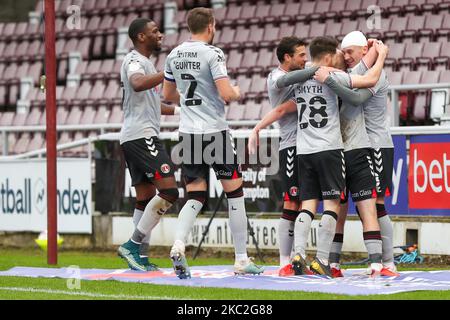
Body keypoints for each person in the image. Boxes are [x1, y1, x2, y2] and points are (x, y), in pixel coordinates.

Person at [163, 7, 264, 279]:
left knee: (195, 194)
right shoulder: (213, 53)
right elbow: (226, 93)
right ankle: (241, 258)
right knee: (235, 193)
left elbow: (168, 94)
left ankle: (179, 243)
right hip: (214, 132)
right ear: (210, 26)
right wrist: (236, 92)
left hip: (188, 133)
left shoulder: (173, 54)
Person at [317, 31, 398, 276]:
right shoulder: (357, 73)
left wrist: (380, 55)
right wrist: (379, 52)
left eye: (351, 51)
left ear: (364, 50)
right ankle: (336, 263)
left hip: (376, 145)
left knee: (377, 205)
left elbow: (357, 96)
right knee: (347, 207)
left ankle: (388, 262)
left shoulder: (376, 74)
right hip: (354, 146)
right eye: (344, 53)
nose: (347, 56)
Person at [117, 18, 180, 272]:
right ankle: (132, 245)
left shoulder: (146, 63)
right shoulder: (134, 61)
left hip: (134, 136)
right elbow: (137, 82)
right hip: (142, 137)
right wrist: (166, 73)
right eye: (155, 31)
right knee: (170, 192)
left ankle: (139, 258)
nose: (160, 34)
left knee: (144, 199)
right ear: (141, 37)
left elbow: (154, 103)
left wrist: (181, 111)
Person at [264, 36, 309, 276]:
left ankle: (299, 257)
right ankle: (283, 262)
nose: (306, 58)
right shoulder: (275, 77)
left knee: (306, 202)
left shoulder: (303, 73)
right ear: (287, 57)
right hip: (291, 146)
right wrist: (317, 68)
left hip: (310, 146)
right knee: (291, 201)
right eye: (301, 55)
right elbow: (288, 80)